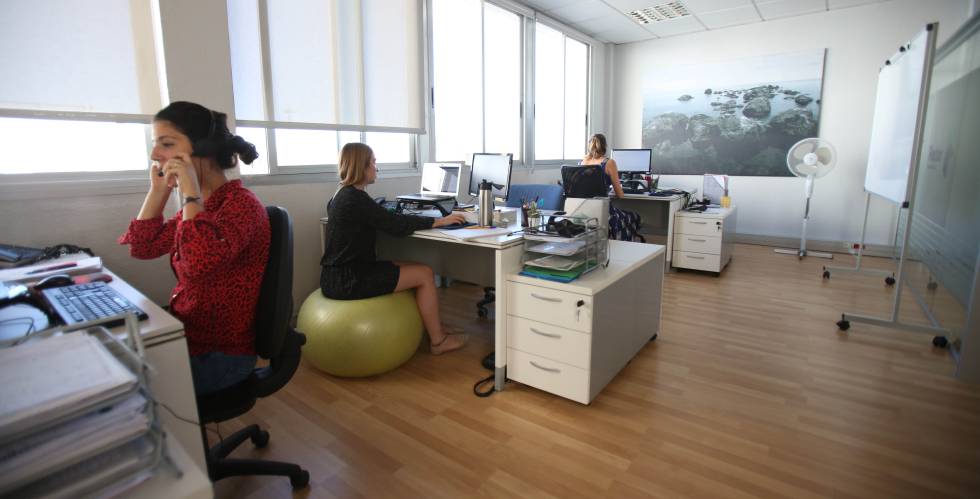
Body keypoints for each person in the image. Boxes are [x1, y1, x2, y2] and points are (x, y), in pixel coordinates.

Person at [119, 101, 269, 395]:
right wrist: (158, 191)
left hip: (222, 355)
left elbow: (197, 266)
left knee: (129, 392)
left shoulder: (241, 206)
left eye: (166, 143)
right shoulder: (201, 208)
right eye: (156, 144)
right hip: (188, 337)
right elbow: (142, 247)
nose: (154, 154)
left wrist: (189, 192)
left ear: (201, 149)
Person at [321, 143, 468, 355]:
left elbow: (384, 219)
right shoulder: (356, 199)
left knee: (416, 266)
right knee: (425, 274)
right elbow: (395, 225)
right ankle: (438, 341)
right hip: (349, 280)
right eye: (373, 162)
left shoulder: (340, 195)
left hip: (338, 274)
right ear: (361, 166)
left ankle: (438, 329)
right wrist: (438, 222)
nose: (376, 168)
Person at [581, 133, 644, 242]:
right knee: (635, 216)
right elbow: (620, 195)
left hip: (584, 208)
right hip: (604, 211)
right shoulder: (608, 163)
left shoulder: (584, 161)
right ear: (605, 146)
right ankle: (625, 246)